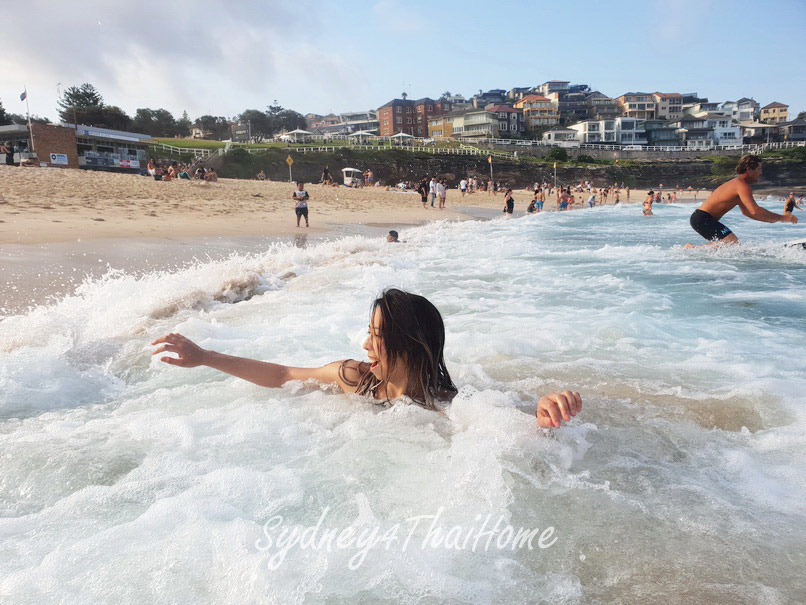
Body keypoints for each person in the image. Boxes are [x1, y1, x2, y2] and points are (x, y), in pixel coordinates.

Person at [151, 288, 582, 428]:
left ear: (411, 344)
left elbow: (505, 428)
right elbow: (282, 374)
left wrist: (542, 420)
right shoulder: (355, 379)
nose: (365, 346)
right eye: (369, 334)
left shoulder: (449, 405)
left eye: (377, 337)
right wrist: (205, 356)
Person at [684, 155, 797, 248]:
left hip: (701, 219)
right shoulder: (742, 186)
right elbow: (755, 210)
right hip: (703, 219)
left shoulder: (739, 185)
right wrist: (783, 218)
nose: (760, 172)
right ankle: (691, 250)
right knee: (732, 243)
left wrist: (771, 219)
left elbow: (747, 212)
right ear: (749, 169)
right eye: (758, 169)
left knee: (729, 245)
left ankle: (695, 251)